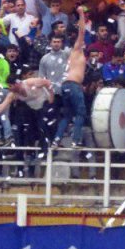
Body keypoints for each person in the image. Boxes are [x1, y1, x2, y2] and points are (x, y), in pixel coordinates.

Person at [52, 8, 88, 149]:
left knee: (67, 116)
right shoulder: (77, 49)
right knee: (81, 113)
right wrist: (81, 14)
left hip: (66, 86)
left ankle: (56, 140)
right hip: (73, 85)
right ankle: (76, 140)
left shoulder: (72, 54)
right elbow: (82, 31)